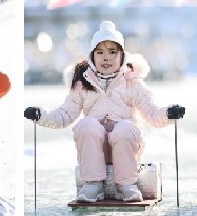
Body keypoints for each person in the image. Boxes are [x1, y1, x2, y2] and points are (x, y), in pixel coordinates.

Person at [23, 21, 185, 203]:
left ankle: (126, 185)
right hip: (94, 147)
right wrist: (40, 115)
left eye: (112, 52)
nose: (105, 58)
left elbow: (153, 114)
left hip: (126, 147)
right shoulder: (82, 84)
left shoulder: (132, 83)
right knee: (86, 124)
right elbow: (64, 115)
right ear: (92, 57)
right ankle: (93, 185)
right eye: (100, 52)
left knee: (125, 127)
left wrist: (169, 113)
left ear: (122, 56)